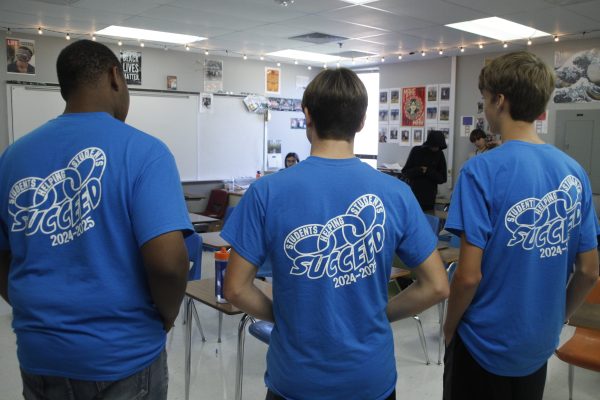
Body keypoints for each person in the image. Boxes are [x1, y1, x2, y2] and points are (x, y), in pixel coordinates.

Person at [222, 68, 449, 400]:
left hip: (296, 380)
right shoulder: (396, 193)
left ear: (307, 115)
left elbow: (235, 288)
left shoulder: (266, 192)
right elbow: (437, 285)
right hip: (369, 379)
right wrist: (381, 315)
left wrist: (284, 316)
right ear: (361, 122)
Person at [0, 40, 193, 399]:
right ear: (115, 77)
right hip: (123, 356)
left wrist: (40, 314)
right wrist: (166, 316)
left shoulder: (12, 158)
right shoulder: (145, 152)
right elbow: (168, 264)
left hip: (40, 355)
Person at [443, 51, 599, 400]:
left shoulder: (480, 170)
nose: (485, 108)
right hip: (537, 342)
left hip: (483, 342)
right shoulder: (574, 172)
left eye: (484, 100)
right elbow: (589, 271)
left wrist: (449, 326)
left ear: (500, 101)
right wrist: (557, 318)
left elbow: (468, 276)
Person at [401, 130, 447, 212]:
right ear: (430, 144)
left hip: (429, 198)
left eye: (439, 146)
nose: (437, 148)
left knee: (427, 220)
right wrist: (420, 170)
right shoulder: (416, 151)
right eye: (435, 146)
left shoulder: (439, 154)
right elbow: (405, 172)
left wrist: (428, 171)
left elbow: (443, 178)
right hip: (414, 194)